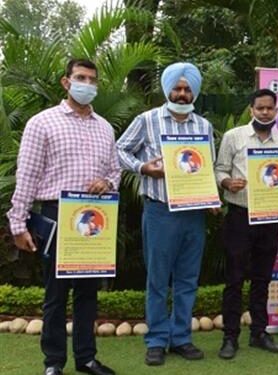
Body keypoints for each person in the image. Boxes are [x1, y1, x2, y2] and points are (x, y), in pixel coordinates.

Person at [6, 58, 119, 375]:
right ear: (65, 82)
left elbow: (115, 170)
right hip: (57, 216)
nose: (88, 84)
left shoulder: (105, 127)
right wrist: (18, 224)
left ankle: (86, 358)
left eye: (93, 79)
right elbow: (27, 175)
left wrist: (107, 182)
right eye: (81, 77)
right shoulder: (42, 123)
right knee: (56, 294)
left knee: (88, 292)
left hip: (95, 218)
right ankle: (54, 362)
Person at [116, 62, 215, 366]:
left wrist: (212, 197)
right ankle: (157, 339)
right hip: (160, 211)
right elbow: (120, 150)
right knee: (158, 279)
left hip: (194, 212)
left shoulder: (203, 126)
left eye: (187, 89)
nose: (182, 93)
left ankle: (181, 337)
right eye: (177, 87)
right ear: (167, 89)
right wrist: (144, 168)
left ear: (194, 92)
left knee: (187, 278)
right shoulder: (147, 120)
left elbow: (206, 165)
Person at [214, 89, 278, 359]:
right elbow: (220, 168)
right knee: (234, 277)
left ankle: (259, 332)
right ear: (251, 109)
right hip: (240, 214)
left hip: (270, 216)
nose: (265, 112)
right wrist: (226, 182)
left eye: (269, 108)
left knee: (262, 277)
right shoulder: (235, 137)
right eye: (260, 108)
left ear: (276, 110)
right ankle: (230, 336)